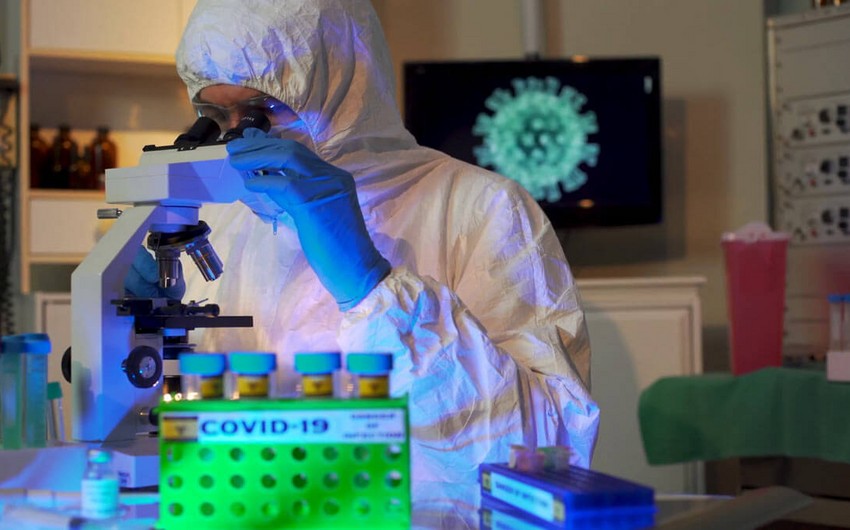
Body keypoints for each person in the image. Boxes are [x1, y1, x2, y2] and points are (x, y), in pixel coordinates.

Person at [127, 0, 599, 497]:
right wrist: (144, 337)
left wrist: (374, 288)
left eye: (263, 111)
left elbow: (553, 451)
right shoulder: (220, 221)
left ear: (344, 89)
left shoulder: (485, 209)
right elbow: (186, 423)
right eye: (213, 115)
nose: (236, 136)